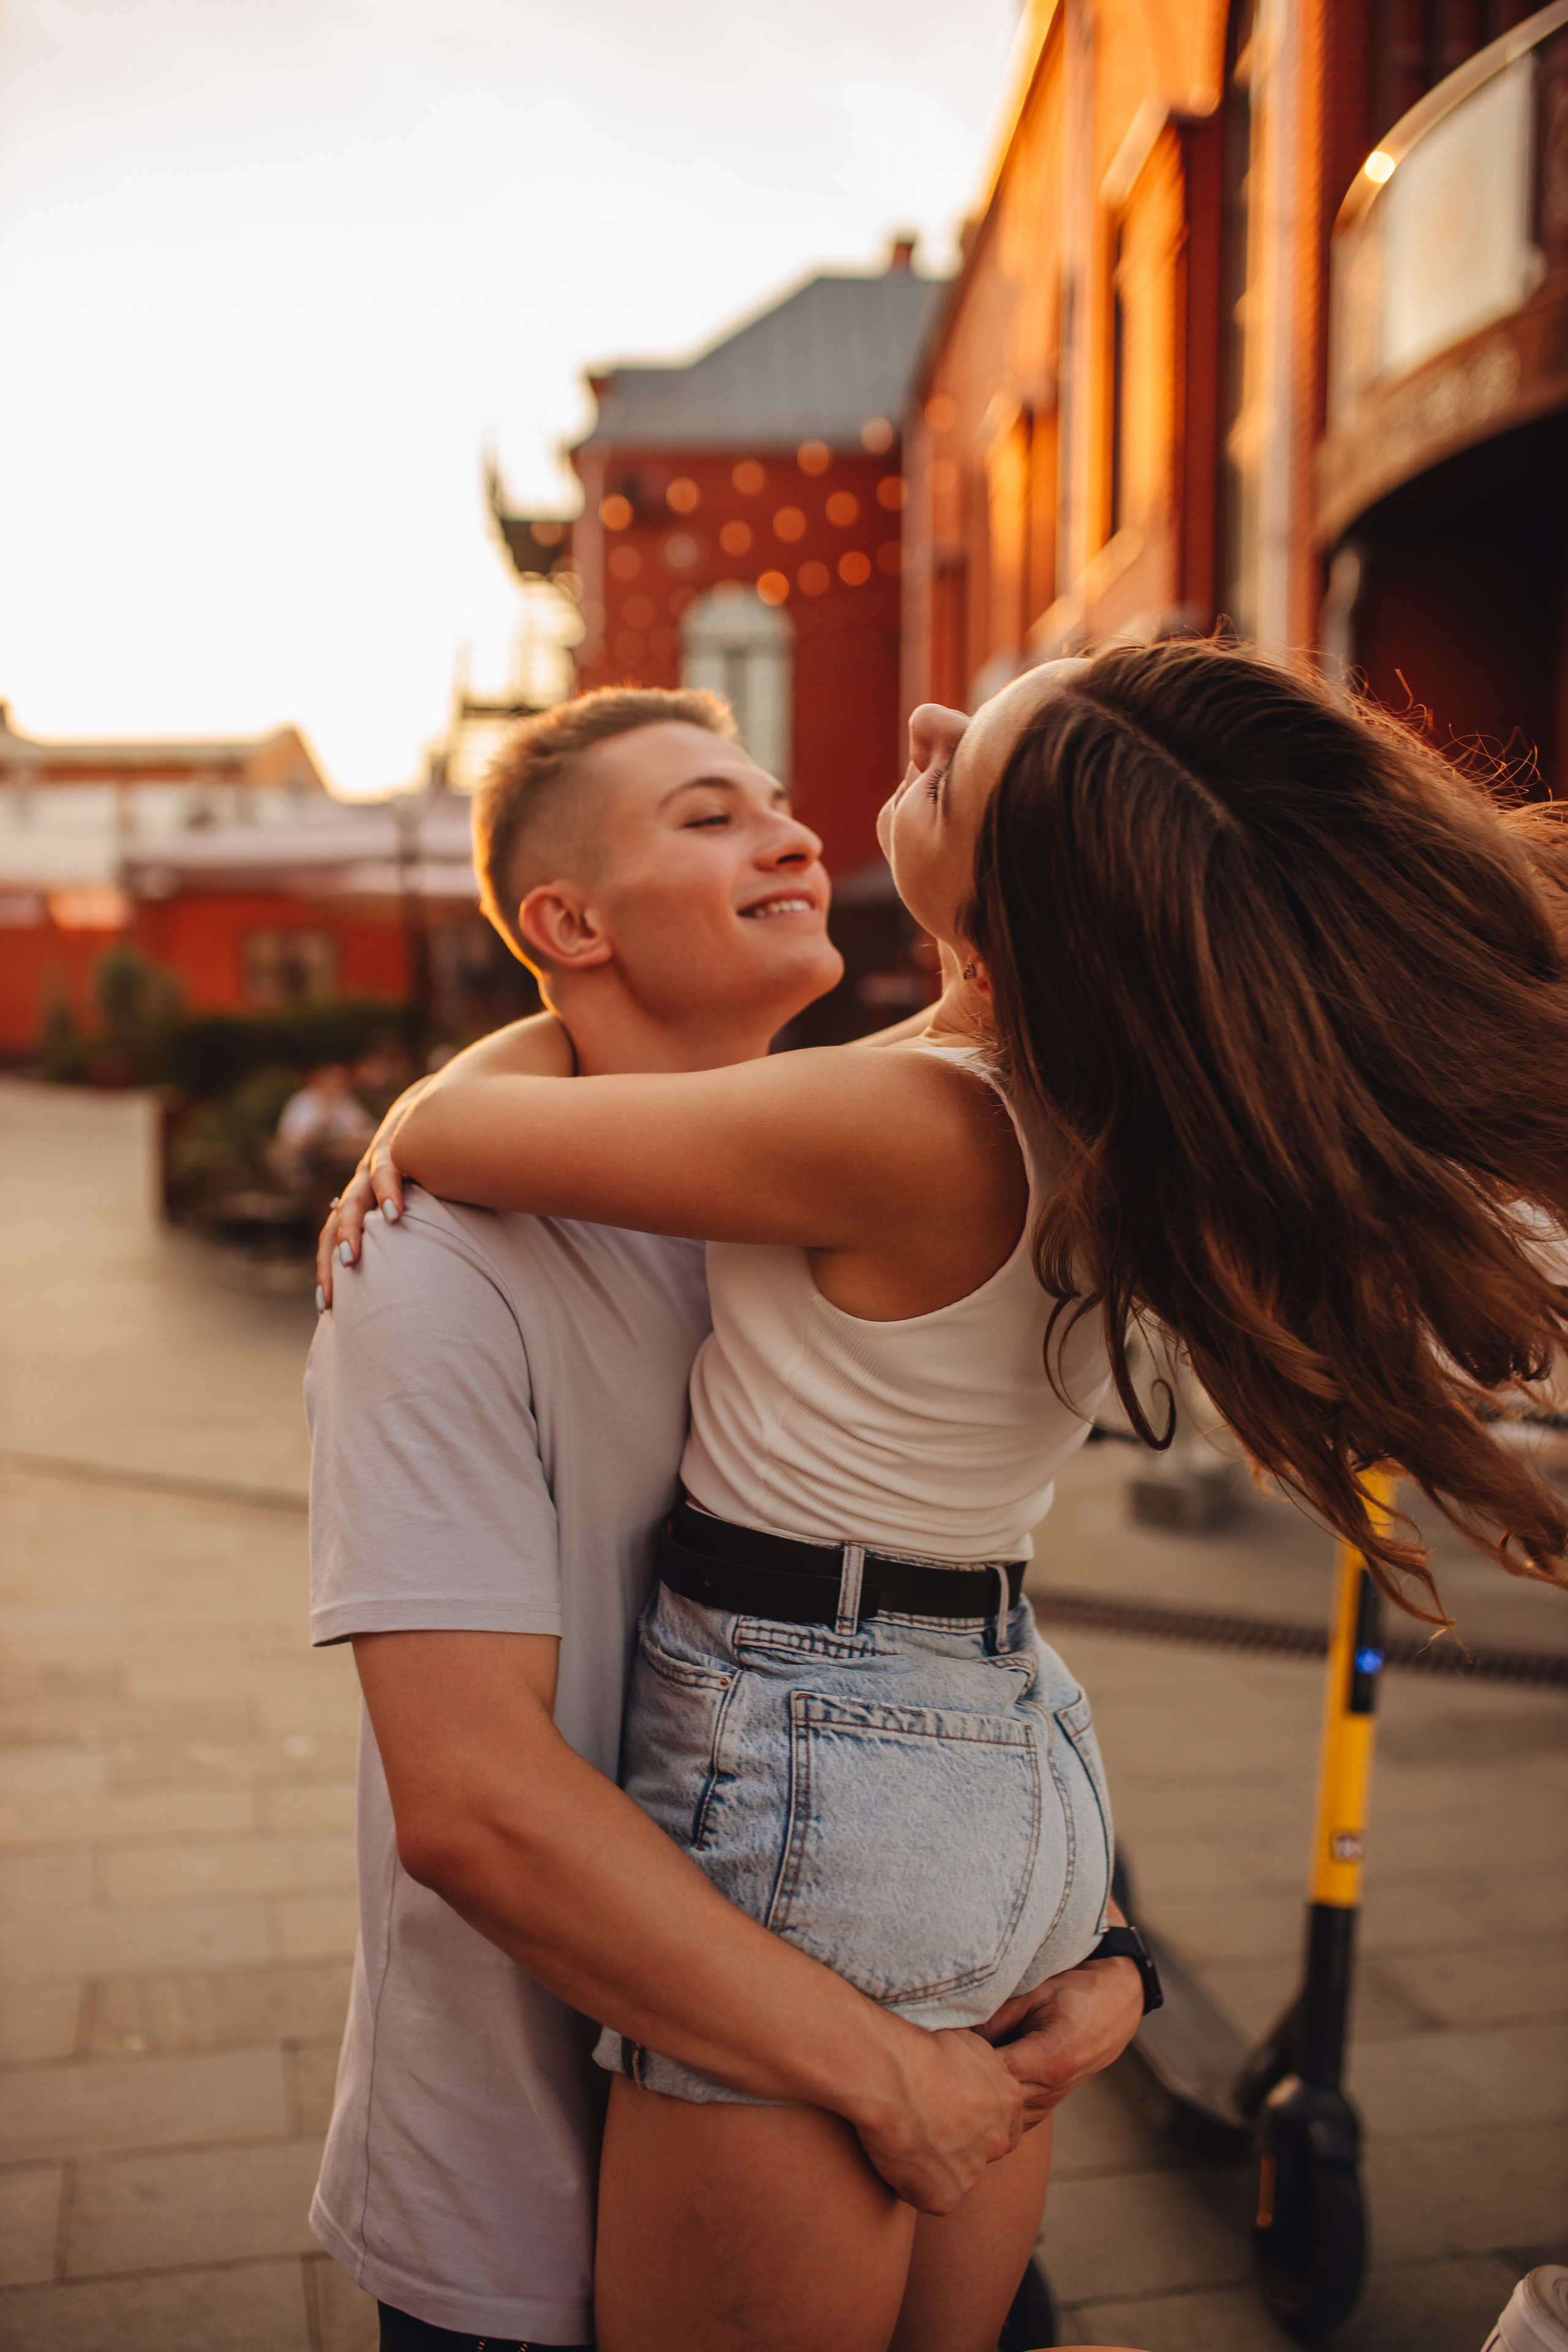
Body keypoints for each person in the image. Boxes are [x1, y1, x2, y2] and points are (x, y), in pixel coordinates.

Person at [380, 639, 1568, 2352]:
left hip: (818, 1761)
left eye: (952, 774)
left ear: (1020, 905)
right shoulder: (1101, 1116)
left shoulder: (902, 1123)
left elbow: (460, 1140)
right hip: (1007, 1757)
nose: (921, 722)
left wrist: (435, 1084)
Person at [309, 686, 1148, 2352]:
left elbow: (944, 1632)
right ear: (568, 921)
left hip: (901, 2038)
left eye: (778, 796)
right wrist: (894, 2079)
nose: (791, 829)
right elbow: (476, 1808)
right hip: (545, 2179)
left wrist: (1108, 1945)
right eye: (708, 814)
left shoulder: (840, 1184)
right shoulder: (433, 1266)